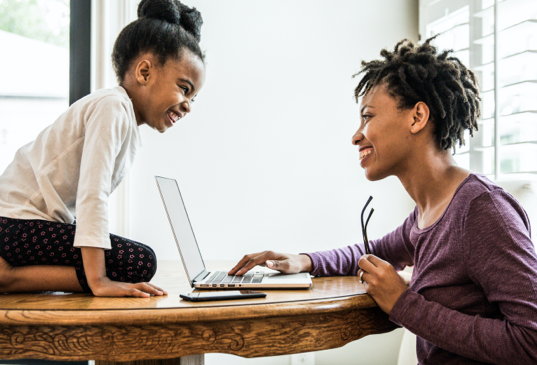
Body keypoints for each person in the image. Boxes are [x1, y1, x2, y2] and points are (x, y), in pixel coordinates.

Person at [229, 39, 537, 364]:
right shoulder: (428, 211)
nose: (356, 135)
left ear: (417, 116)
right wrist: (303, 261)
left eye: (368, 117)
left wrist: (403, 303)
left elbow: (531, 340)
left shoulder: (482, 210)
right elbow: (372, 251)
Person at [0, 0, 206, 298]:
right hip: (8, 227)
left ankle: (4, 272)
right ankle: (3, 277)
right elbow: (92, 196)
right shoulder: (112, 107)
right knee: (139, 262)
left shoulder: (119, 114)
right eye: (184, 89)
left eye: (193, 98)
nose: (187, 105)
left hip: (1, 230)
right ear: (144, 72)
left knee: (134, 262)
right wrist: (98, 281)